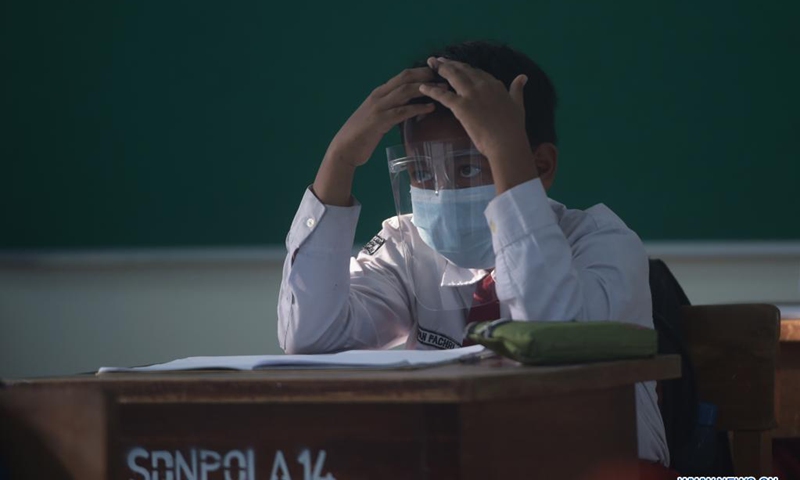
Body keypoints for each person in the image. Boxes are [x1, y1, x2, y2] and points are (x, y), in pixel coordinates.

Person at [277, 40, 669, 468]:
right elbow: (312, 339)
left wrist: (505, 153)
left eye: (467, 168)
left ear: (540, 167)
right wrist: (341, 159)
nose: (441, 193)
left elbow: (555, 343)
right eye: (422, 172)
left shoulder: (602, 242)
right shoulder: (409, 247)